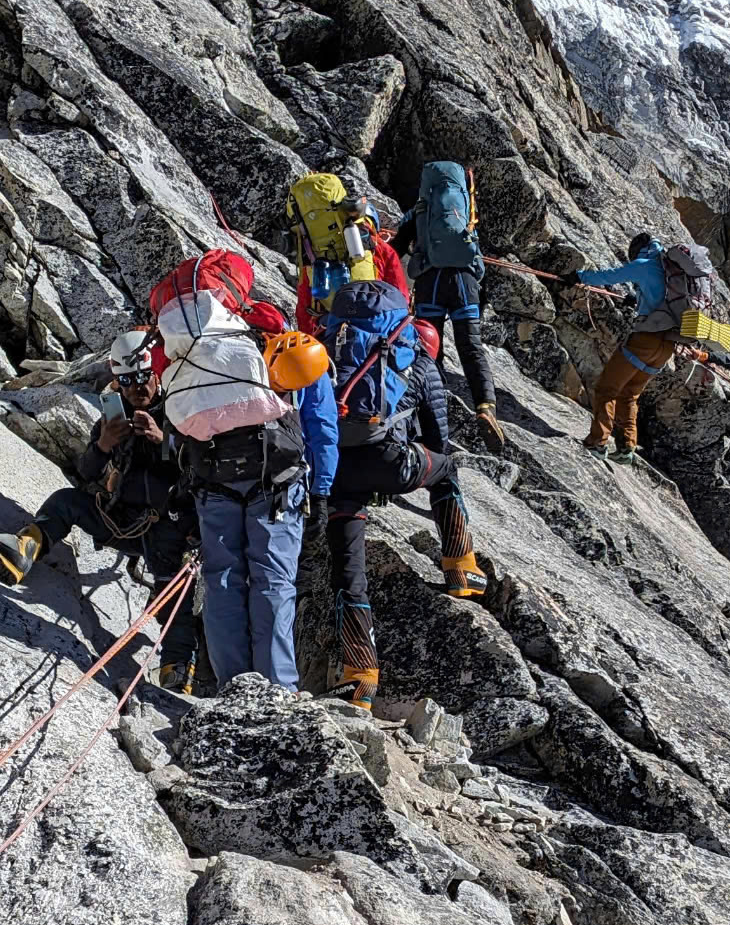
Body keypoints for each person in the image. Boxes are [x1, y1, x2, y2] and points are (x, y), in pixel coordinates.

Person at [0, 330, 201, 690]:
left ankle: (177, 667)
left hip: (166, 527)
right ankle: (23, 551)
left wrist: (163, 440)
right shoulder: (111, 419)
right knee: (66, 502)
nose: (138, 387)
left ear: (155, 375)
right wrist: (105, 444)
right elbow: (85, 473)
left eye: (142, 377)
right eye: (127, 381)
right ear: (118, 383)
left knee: (172, 590)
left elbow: (196, 467)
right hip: (120, 519)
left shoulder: (177, 414)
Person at [324, 309, 487, 708]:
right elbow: (439, 441)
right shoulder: (423, 366)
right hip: (388, 462)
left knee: (349, 571)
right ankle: (461, 567)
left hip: (335, 471)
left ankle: (360, 677)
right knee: (446, 470)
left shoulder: (347, 355)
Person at [190, 308, 338, 691]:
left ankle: (233, 686)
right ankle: (276, 688)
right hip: (277, 484)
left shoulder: (211, 352)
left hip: (214, 479)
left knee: (222, 581)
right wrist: (320, 493)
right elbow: (321, 429)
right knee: (272, 582)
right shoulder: (297, 357)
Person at [393, 162, 505, 453]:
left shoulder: (419, 210)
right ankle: (485, 407)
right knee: (471, 347)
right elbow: (474, 246)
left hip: (431, 282)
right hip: (464, 284)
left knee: (430, 350)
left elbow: (396, 248)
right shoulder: (467, 208)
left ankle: (432, 412)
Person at [573, 233, 685, 460]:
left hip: (645, 339)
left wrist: (578, 276)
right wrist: (637, 298)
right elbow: (660, 299)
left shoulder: (645, 264)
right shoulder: (672, 270)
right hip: (667, 346)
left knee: (607, 388)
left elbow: (610, 275)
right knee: (630, 394)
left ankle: (598, 442)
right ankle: (627, 447)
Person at [291, 184, 409, 330]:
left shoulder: (314, 251)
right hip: (374, 319)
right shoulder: (381, 249)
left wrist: (308, 335)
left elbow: (305, 301)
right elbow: (400, 294)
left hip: (331, 325)